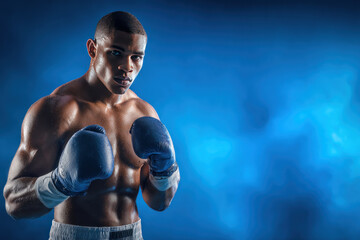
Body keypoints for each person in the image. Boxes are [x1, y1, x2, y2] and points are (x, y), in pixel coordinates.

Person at [3, 11, 180, 240]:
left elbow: (159, 203)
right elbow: (14, 204)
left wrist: (164, 170)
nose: (127, 67)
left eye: (136, 57)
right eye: (116, 53)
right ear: (93, 49)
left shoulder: (144, 113)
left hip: (133, 234)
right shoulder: (55, 111)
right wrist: (60, 183)